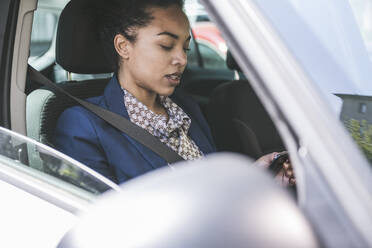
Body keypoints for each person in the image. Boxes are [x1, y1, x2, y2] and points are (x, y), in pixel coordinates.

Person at [54, 0, 294, 185]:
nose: (181, 59)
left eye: (186, 48)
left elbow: (210, 186)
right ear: (123, 46)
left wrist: (256, 180)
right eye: (166, 46)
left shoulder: (185, 107)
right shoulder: (82, 126)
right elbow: (105, 224)